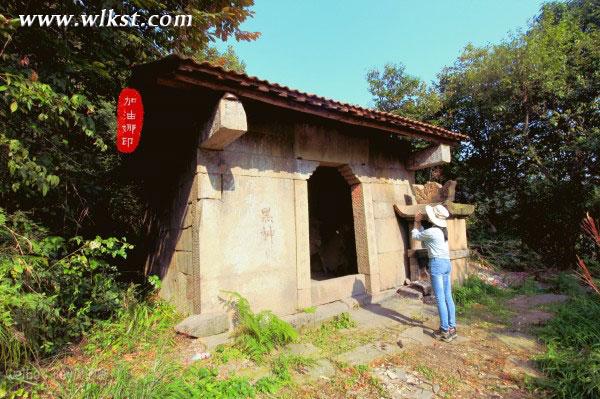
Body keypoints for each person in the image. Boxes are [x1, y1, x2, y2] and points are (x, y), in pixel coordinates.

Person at [412, 204, 457, 342]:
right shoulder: (443, 231)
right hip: (446, 263)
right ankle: (452, 328)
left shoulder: (432, 232)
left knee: (440, 298)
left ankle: (444, 331)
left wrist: (417, 221)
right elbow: (426, 240)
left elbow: (416, 236)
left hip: (437, 264)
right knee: (448, 296)